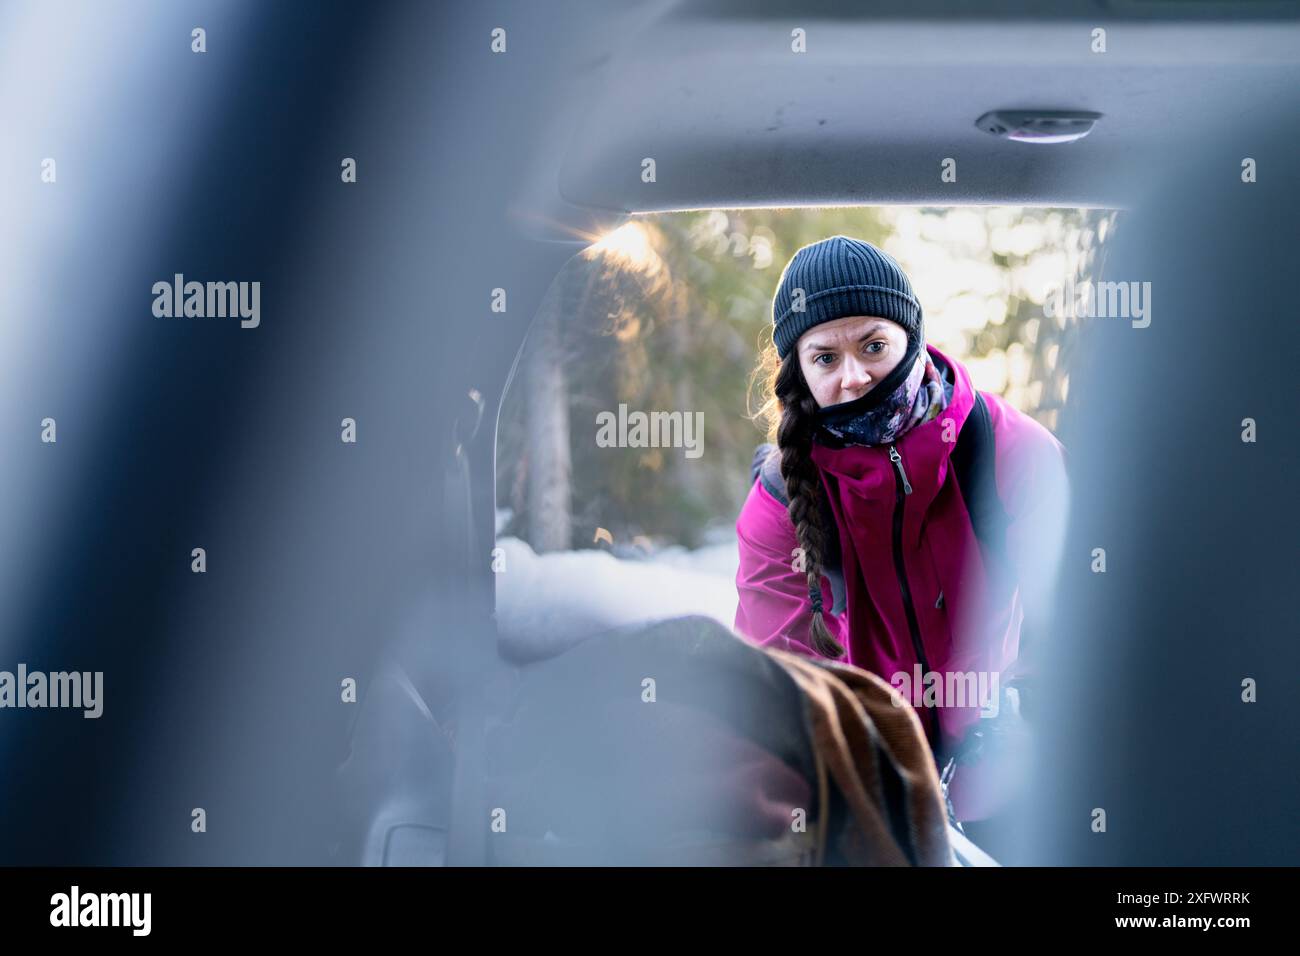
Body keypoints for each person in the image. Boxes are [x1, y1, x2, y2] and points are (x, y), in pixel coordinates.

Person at [733, 235, 1068, 825]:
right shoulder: (780, 503)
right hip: (869, 801)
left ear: (912, 339)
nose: (855, 377)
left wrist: (1030, 719)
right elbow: (778, 684)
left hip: (1012, 789)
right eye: (826, 358)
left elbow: (1080, 619)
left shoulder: (1010, 452)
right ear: (800, 372)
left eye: (874, 345)